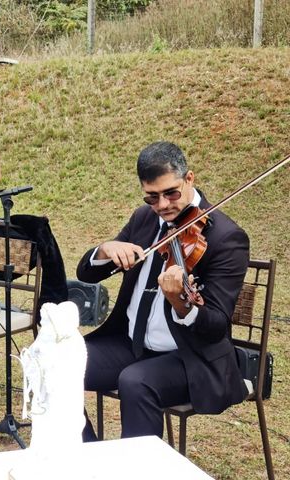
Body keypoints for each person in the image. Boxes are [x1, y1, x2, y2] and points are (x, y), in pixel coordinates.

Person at [76, 141, 249, 439]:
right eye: (152, 197)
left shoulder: (226, 237)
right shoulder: (144, 219)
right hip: (131, 343)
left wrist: (183, 304)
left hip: (189, 357)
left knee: (135, 381)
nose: (164, 205)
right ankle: (89, 460)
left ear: (190, 179)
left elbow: (216, 325)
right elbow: (87, 273)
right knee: (53, 363)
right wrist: (106, 249)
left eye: (171, 193)